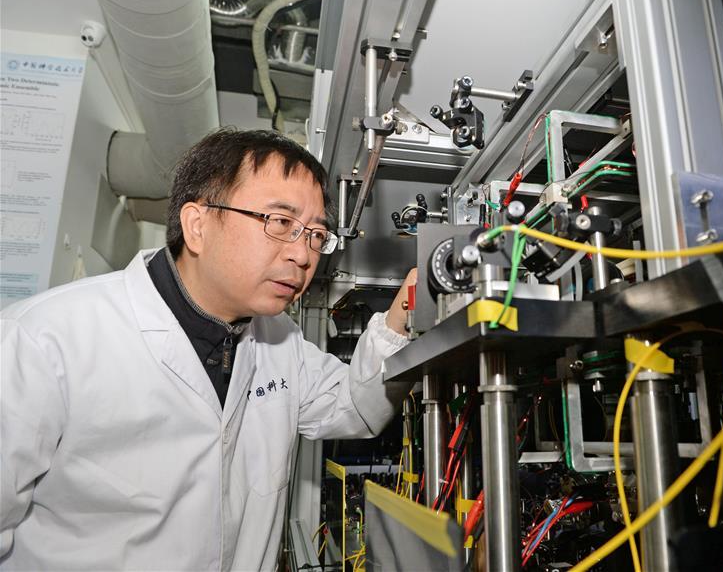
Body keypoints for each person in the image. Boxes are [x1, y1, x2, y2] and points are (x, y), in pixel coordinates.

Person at [0, 128, 416, 570]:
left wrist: (405, 311)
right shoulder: (43, 341)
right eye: (281, 223)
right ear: (197, 226)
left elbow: (356, 408)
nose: (303, 255)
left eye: (316, 234)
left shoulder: (281, 341)